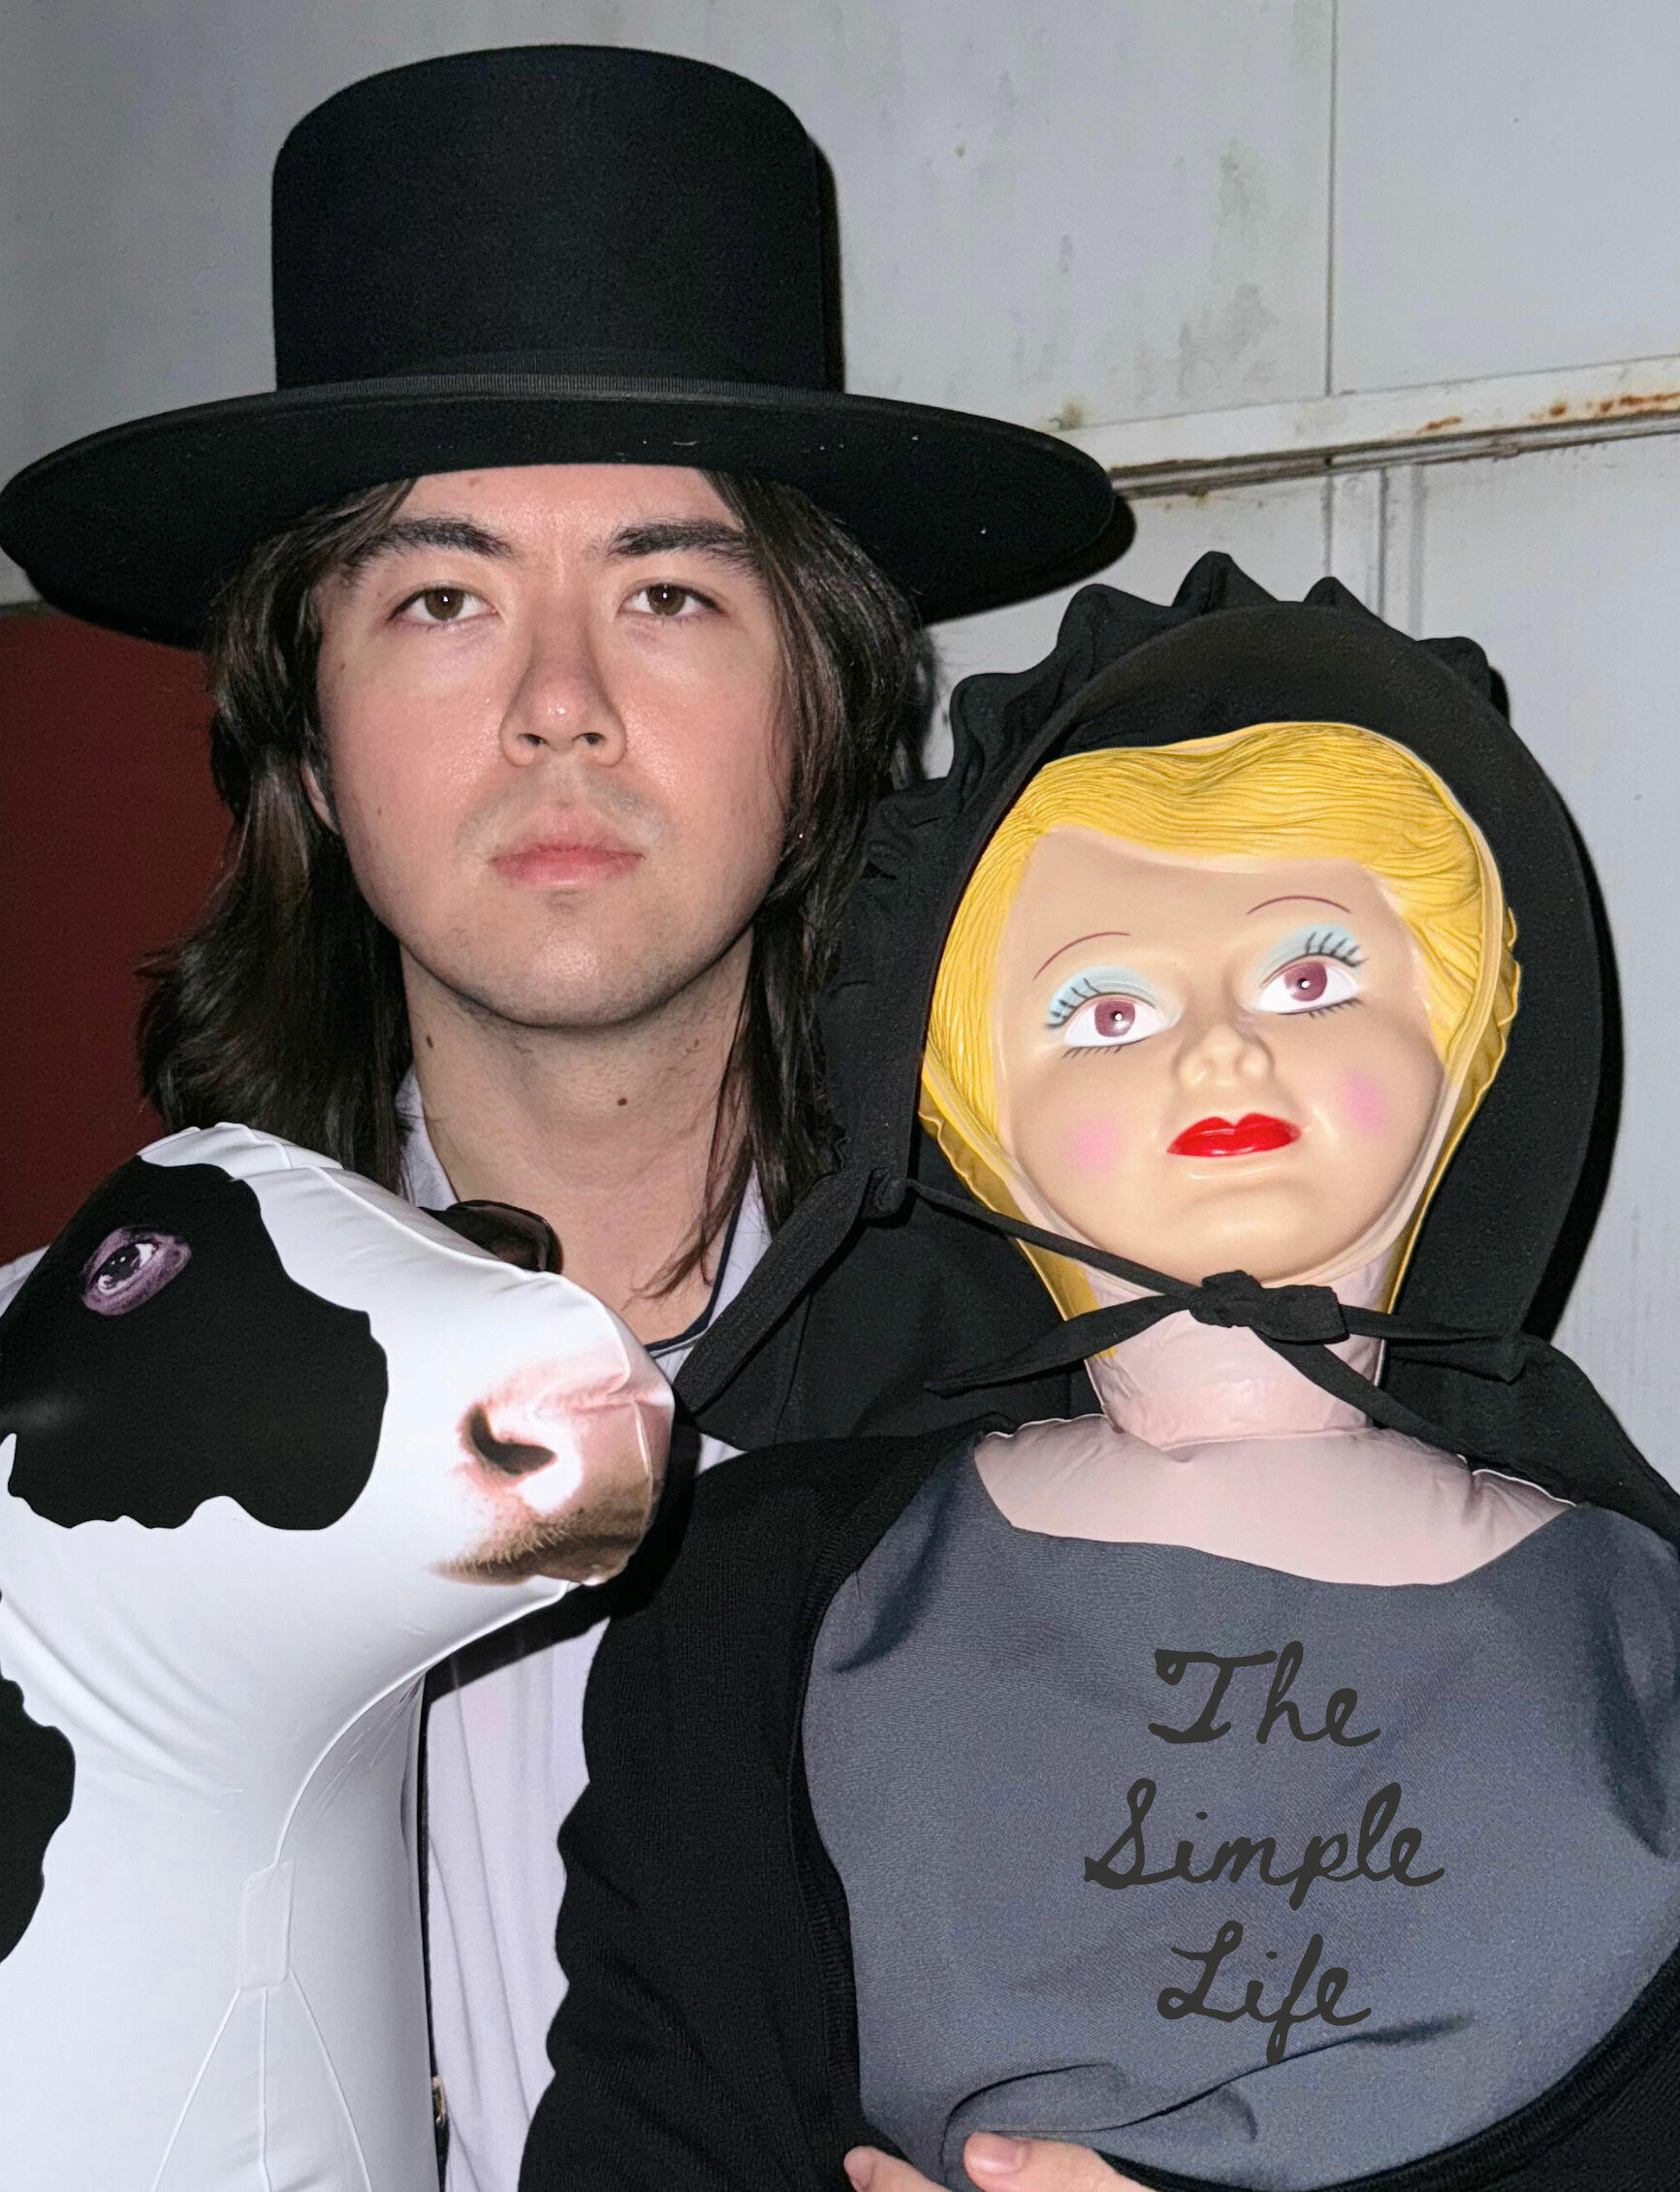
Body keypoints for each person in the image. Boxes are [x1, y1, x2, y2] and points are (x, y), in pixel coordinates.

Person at [0, 44, 1119, 2192]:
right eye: (442, 598)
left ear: (821, 716)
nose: (558, 704)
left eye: (670, 592)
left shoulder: (1084, 1405)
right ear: (314, 746)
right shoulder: (57, 1427)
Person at [525, 558, 1680, 2191]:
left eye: (1308, 975)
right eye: (1106, 1005)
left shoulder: (1647, 1647)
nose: (1219, 1049)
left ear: (1465, 1034)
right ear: (967, 1097)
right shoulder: (755, 1606)